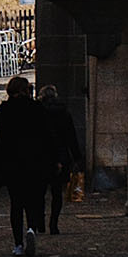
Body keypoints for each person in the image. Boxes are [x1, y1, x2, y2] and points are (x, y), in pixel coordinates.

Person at [0, 74, 50, 257]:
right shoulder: (36, 109)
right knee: (32, 200)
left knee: (16, 204)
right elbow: (46, 137)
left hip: (12, 163)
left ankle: (17, 243)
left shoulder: (5, 111)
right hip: (34, 161)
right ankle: (31, 228)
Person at [40, 85, 83, 233]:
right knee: (57, 192)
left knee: (39, 192)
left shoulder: (39, 112)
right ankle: (53, 223)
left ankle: (39, 221)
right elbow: (71, 137)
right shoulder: (64, 113)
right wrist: (77, 157)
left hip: (42, 155)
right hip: (61, 154)